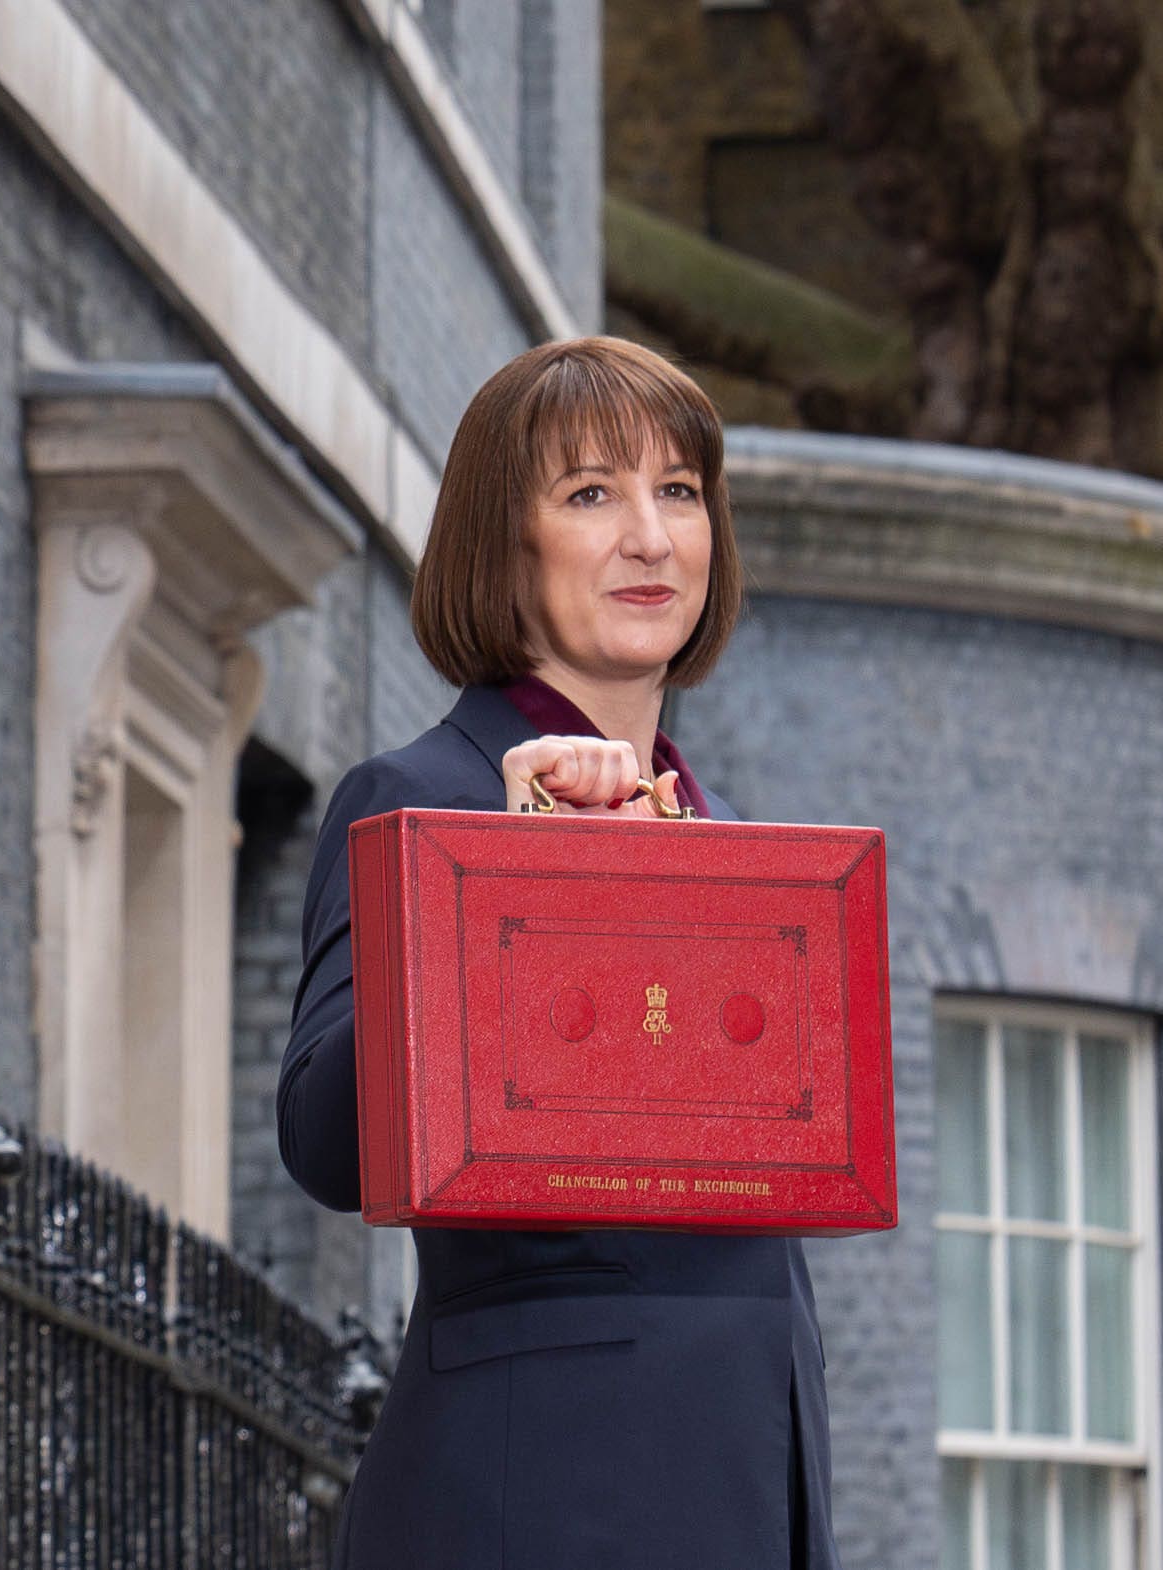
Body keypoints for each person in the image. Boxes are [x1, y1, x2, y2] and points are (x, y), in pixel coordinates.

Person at [278, 336, 837, 1569]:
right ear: (504, 545)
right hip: (538, 1495)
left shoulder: (735, 835)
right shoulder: (422, 794)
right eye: (592, 493)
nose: (651, 536)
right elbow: (323, 1140)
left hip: (752, 1487)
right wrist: (513, 875)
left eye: (679, 491)